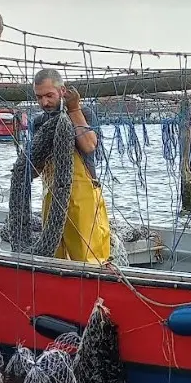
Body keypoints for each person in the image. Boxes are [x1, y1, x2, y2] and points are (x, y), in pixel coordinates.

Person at [30, 68, 111, 264]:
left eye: (49, 95)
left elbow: (90, 146)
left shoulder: (84, 113)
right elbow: (35, 167)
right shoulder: (38, 123)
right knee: (54, 252)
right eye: (39, 97)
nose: (44, 103)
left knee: (89, 256)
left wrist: (74, 110)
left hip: (82, 198)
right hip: (52, 195)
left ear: (62, 91)